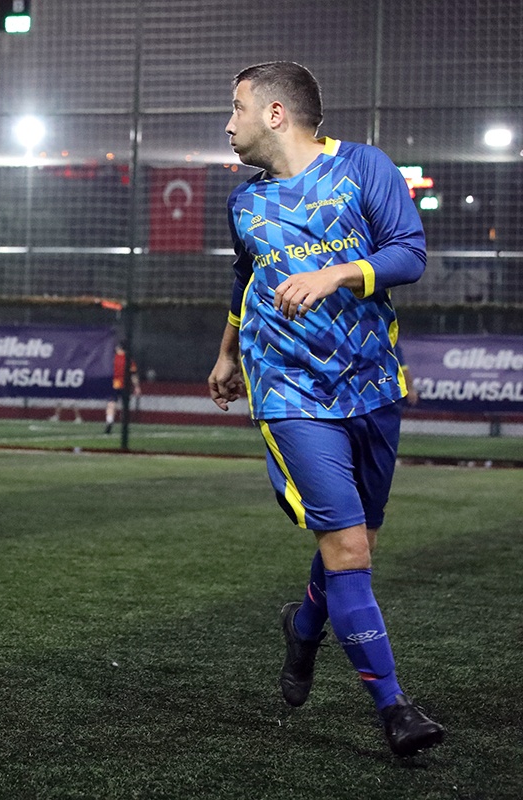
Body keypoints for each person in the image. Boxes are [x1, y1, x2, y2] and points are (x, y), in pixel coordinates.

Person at [207, 62, 443, 757]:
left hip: (371, 384)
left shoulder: (364, 167)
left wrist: (335, 273)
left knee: (358, 541)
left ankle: (304, 627)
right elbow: (245, 281)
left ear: (275, 113)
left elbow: (409, 254)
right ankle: (395, 708)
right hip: (287, 392)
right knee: (347, 547)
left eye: (237, 108)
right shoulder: (245, 202)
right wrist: (227, 354)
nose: (229, 124)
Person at [104, 341, 141, 434]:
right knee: (124, 405)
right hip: (125, 384)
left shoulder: (112, 359)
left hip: (114, 384)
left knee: (111, 403)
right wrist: (136, 387)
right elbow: (133, 375)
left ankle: (109, 421)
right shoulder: (129, 360)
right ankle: (124, 424)